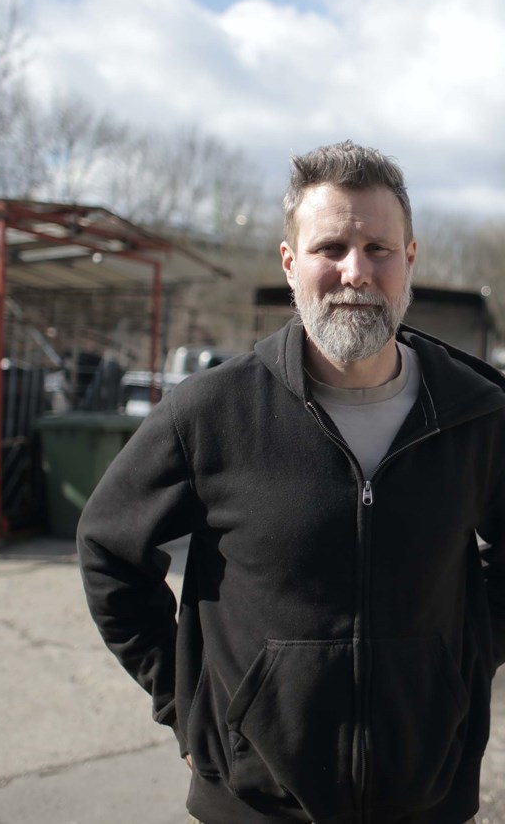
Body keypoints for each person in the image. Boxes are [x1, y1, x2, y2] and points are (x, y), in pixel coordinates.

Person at [78, 141, 505, 824]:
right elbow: (109, 552)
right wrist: (188, 707)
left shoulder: (476, 413)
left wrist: (460, 669)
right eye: (329, 247)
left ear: (411, 259)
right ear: (289, 264)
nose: (354, 272)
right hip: (253, 803)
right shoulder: (210, 412)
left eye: (379, 250)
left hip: (427, 797)